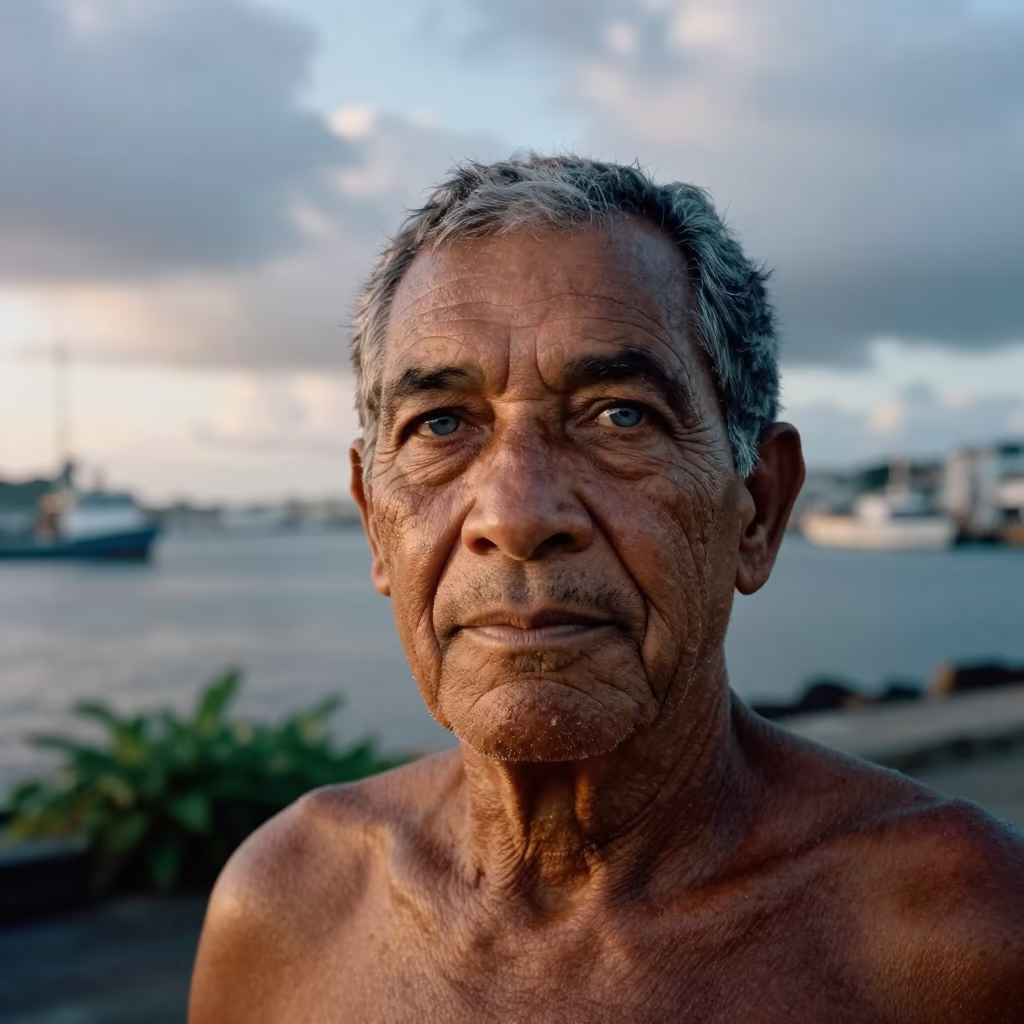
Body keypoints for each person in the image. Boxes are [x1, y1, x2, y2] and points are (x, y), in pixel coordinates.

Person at [190, 156, 1024, 1023]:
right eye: (440, 424)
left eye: (620, 414)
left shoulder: (962, 939)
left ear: (758, 510)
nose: (515, 515)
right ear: (374, 523)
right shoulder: (285, 906)